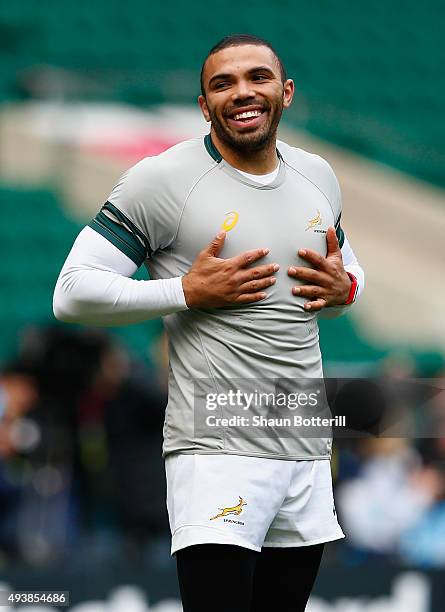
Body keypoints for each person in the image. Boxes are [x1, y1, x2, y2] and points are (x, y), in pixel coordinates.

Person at [53, 34, 364, 612]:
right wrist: (184, 292)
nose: (242, 92)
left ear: (286, 92)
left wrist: (347, 287)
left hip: (304, 446)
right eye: (223, 83)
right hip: (218, 447)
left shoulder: (318, 175)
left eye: (257, 78)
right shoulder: (163, 178)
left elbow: (347, 276)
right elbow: (71, 294)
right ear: (204, 105)